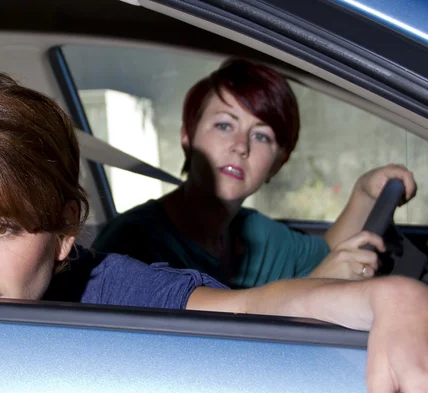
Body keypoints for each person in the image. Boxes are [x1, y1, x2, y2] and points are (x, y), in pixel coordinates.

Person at [0, 70, 427, 393]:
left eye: (3, 227)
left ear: (65, 230)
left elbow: (243, 308)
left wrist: (393, 297)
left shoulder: (108, 283)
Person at [94, 59, 416, 288]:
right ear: (187, 136)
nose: (240, 146)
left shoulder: (255, 233)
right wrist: (315, 288)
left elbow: (330, 256)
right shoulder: (132, 244)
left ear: (278, 163)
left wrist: (364, 193)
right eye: (224, 125)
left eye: (261, 135)